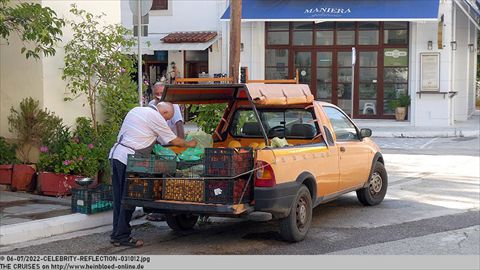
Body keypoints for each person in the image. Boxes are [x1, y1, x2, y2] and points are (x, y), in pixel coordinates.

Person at [108, 102, 197, 247]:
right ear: (165, 113)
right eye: (168, 118)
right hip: (129, 159)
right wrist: (189, 144)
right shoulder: (155, 117)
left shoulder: (136, 109)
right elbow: (173, 140)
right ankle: (122, 236)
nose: (167, 121)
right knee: (130, 198)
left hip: (115, 156)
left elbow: (161, 141)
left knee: (119, 199)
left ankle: (116, 234)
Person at [146, 82, 185, 222]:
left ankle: (165, 211)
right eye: (156, 92)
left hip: (169, 148)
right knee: (155, 178)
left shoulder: (172, 105)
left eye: (160, 92)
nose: (158, 95)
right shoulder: (151, 105)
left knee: (166, 178)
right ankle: (157, 209)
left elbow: (179, 124)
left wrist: (181, 147)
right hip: (156, 147)